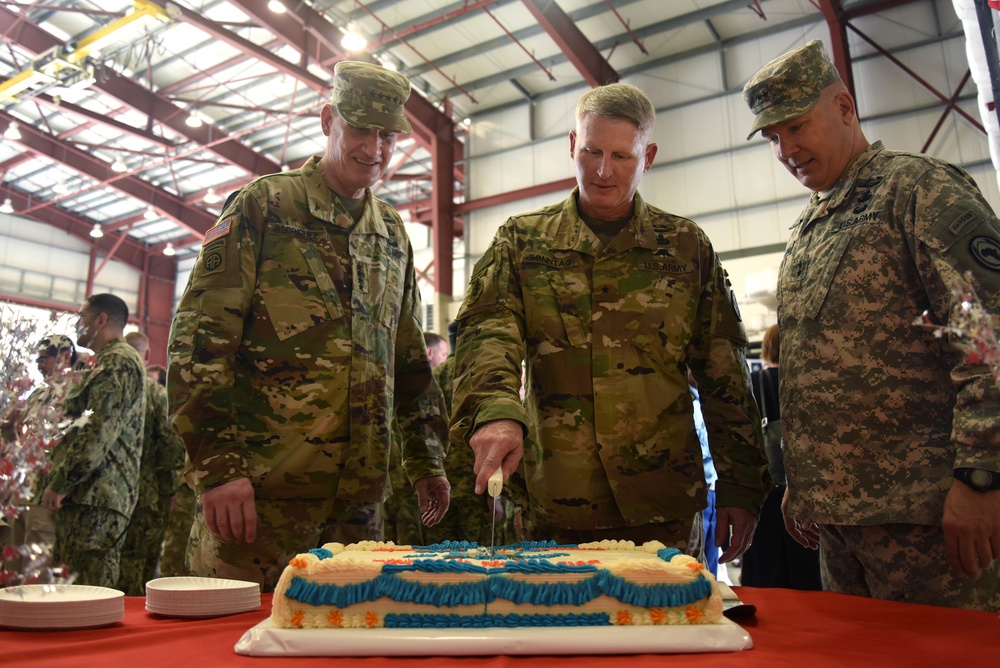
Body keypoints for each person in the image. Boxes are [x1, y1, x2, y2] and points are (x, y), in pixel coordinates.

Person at [451, 82, 770, 560]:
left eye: (622, 156)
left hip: (663, 504)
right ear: (572, 146)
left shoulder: (685, 247)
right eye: (592, 151)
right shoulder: (521, 243)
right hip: (555, 502)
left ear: (649, 156)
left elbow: (724, 368)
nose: (603, 171)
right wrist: (496, 409)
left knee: (668, 632)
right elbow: (487, 334)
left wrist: (742, 482)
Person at [167, 61, 450, 591]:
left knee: (348, 643)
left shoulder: (391, 233)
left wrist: (427, 460)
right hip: (258, 505)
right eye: (361, 129)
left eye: (388, 135)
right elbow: (198, 348)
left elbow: (409, 361)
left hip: (359, 513)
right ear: (328, 120)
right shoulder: (264, 207)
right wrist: (220, 469)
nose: (375, 148)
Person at [742, 40, 1000, 610]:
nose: (786, 149)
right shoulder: (811, 226)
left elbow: (988, 338)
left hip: (930, 517)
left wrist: (983, 478)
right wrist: (805, 483)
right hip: (841, 525)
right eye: (772, 137)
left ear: (843, 108)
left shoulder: (919, 192)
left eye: (796, 125)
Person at [41, 294, 146, 587]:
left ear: (101, 320)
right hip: (87, 494)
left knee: (87, 591)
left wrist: (62, 481)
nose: (77, 325)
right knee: (69, 587)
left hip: (97, 495)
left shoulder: (118, 361)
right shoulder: (101, 362)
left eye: (82, 318)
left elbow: (98, 431)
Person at [740, 324, 821, 589]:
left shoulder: (753, 382)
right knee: (807, 567)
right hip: (801, 485)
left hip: (765, 488)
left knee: (767, 572)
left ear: (767, 348)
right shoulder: (808, 381)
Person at [0, 334, 77, 579]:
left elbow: (80, 445)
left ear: (64, 357)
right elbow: (17, 438)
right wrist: (9, 425)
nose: (39, 365)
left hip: (48, 495)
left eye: (44, 359)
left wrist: (62, 486)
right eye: (37, 360)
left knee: (39, 569)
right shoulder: (38, 396)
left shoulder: (77, 396)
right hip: (24, 493)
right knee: (13, 566)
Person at [116, 331, 185, 594]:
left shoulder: (105, 384)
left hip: (106, 497)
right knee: (139, 564)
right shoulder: (156, 394)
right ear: (146, 355)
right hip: (148, 495)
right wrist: (169, 488)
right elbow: (171, 447)